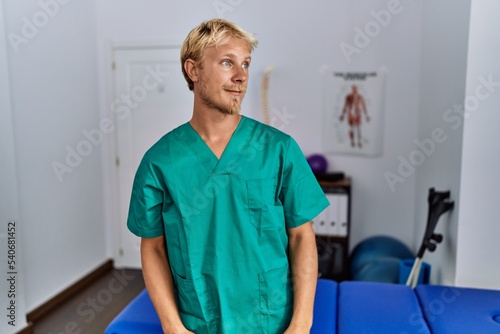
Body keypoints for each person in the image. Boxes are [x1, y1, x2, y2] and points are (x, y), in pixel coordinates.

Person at [127, 18, 329, 334]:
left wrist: (301, 323)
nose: (241, 76)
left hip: (271, 320)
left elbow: (302, 236)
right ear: (193, 70)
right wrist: (172, 326)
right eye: (227, 62)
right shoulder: (160, 161)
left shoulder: (278, 149)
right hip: (198, 320)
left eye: (246, 63)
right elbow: (152, 247)